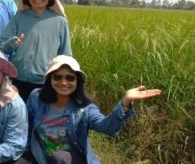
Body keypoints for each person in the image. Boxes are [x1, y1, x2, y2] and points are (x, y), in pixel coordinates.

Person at [19, 55, 162, 164]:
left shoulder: (85, 109)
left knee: (63, 157)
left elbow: (107, 127)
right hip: (42, 158)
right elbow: (26, 126)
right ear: (49, 80)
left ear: (77, 82)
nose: (63, 82)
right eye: (57, 77)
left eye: (70, 78)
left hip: (75, 161)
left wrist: (125, 102)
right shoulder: (36, 98)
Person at [0, 0, 71, 100]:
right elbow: (3, 46)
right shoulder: (19, 18)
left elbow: (66, 54)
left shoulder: (60, 21)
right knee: (20, 116)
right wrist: (12, 43)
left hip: (46, 82)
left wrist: (62, 78)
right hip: (19, 79)